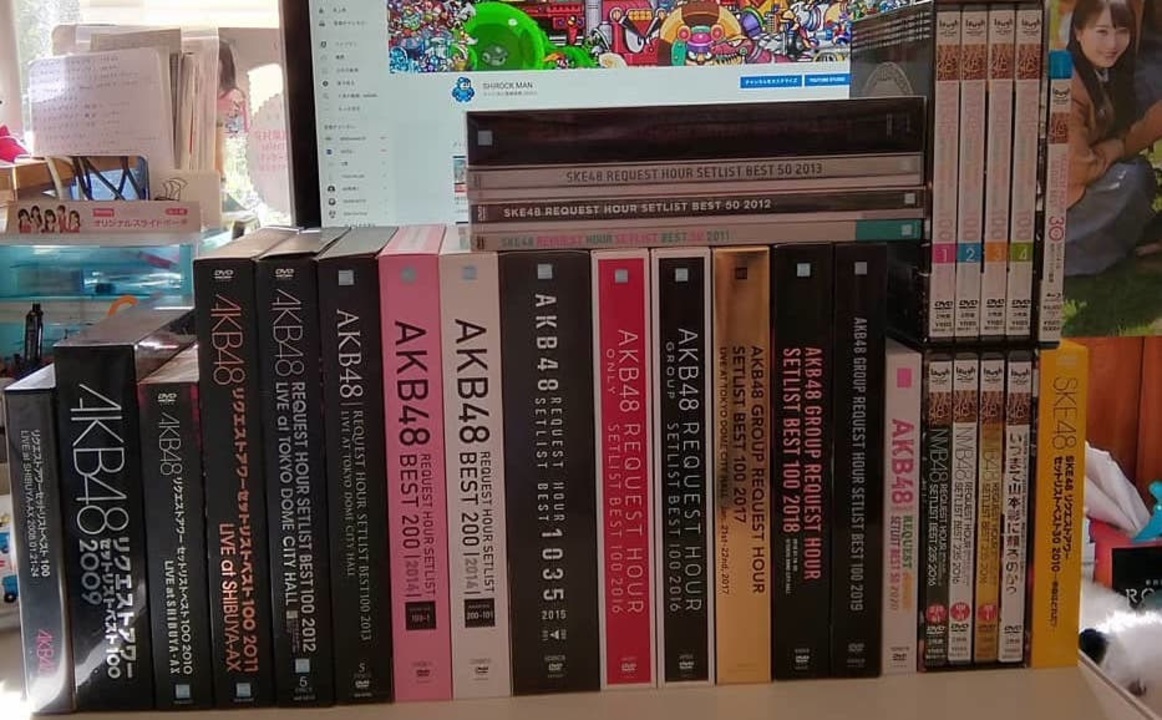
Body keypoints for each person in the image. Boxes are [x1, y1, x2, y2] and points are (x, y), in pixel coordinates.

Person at [1066, 0, 1162, 275]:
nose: (1112, 44)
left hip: (1087, 177)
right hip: (1058, 201)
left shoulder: (1106, 73)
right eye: (1102, 32)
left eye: (1122, 33)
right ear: (1078, 32)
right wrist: (1117, 147)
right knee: (1131, 180)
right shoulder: (1066, 85)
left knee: (1139, 174)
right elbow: (1078, 169)